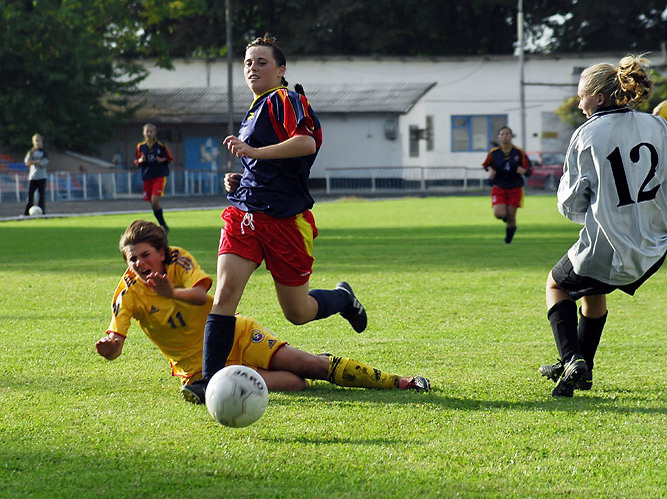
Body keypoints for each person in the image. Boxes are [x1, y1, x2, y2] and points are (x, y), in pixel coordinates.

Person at [193, 34, 368, 401]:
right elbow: (269, 164)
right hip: (245, 214)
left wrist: (253, 151)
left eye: (261, 62)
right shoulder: (256, 107)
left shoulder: (286, 99)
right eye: (247, 63)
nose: (252, 68)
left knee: (298, 312)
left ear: (281, 70)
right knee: (224, 295)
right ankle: (208, 382)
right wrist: (245, 176)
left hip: (286, 221)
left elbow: (306, 143)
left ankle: (342, 298)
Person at [95, 220, 430, 404]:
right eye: (132, 259)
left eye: (145, 255)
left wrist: (171, 292)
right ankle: (314, 364)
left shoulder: (178, 260)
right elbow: (115, 339)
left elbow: (201, 297)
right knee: (296, 384)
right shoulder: (128, 294)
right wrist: (110, 348)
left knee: (308, 365)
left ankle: (400, 383)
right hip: (198, 370)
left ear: (162, 252)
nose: (139, 264)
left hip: (236, 334)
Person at [540, 55, 667, 398]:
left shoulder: (587, 134)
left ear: (598, 97)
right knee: (593, 292)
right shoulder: (656, 127)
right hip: (655, 245)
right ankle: (583, 368)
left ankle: (570, 359)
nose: (579, 103)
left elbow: (571, 202)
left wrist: (591, 207)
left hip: (612, 245)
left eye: (582, 95)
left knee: (556, 284)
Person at [482, 126, 532, 244]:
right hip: (499, 186)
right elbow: (486, 165)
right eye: (502, 134)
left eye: (507, 134)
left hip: (515, 187)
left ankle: (508, 240)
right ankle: (508, 222)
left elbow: (529, 169)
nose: (505, 136)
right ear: (499, 137)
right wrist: (490, 170)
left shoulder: (519, 152)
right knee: (499, 214)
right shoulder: (494, 153)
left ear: (511, 136)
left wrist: (524, 171)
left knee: (511, 214)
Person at [134, 123, 173, 233]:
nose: (149, 133)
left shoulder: (161, 145)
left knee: (154, 200)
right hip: (147, 176)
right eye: (147, 131)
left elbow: (169, 158)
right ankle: (162, 226)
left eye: (151, 131)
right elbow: (136, 161)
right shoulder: (140, 147)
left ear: (154, 133)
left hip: (159, 175)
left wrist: (162, 160)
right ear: (144, 133)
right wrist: (140, 161)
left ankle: (163, 225)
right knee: (152, 203)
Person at [23, 133, 49, 216]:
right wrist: (36, 162)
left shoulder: (44, 152)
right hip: (32, 177)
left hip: (42, 177)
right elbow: (27, 162)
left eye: (39, 140)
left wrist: (33, 162)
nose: (37, 142)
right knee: (30, 195)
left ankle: (42, 212)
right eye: (36, 141)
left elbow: (43, 163)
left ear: (41, 141)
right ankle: (26, 213)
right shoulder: (31, 152)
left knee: (41, 196)